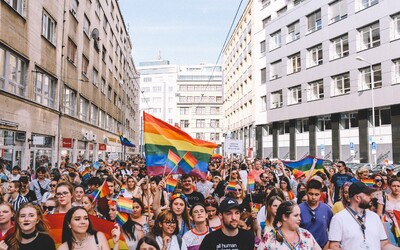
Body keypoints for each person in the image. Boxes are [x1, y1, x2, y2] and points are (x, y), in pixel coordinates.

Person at [328, 181, 397, 249]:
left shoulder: (375, 217)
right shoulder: (339, 218)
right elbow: (334, 246)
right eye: (367, 194)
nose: (371, 197)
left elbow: (384, 244)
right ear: (357, 197)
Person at [299, 180, 333, 249]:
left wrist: (327, 245)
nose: (313, 197)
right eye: (311, 194)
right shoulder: (298, 209)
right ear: (306, 193)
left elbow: (333, 231)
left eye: (316, 194)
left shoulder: (327, 209)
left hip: (324, 247)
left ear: (321, 194)